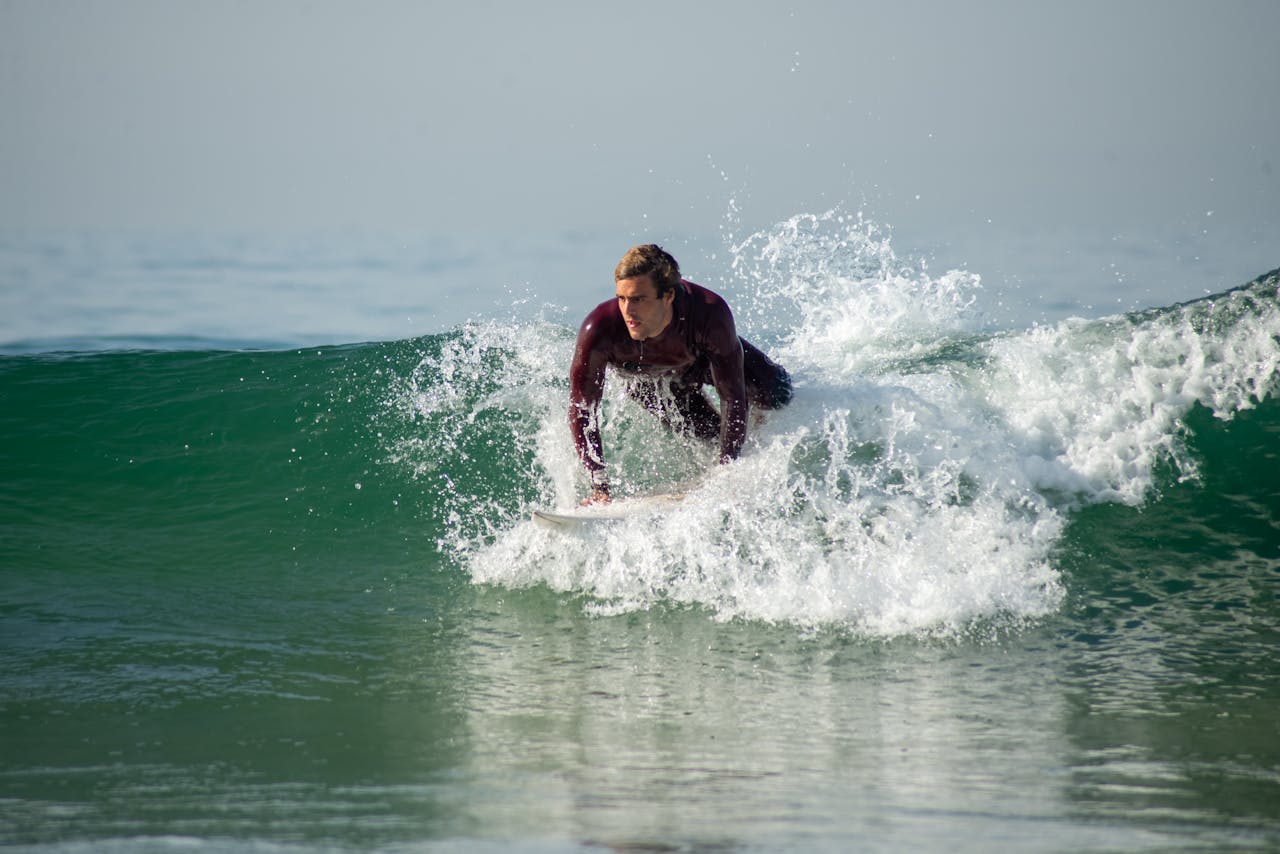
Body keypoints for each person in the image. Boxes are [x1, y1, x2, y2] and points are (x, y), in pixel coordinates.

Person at [569, 244, 792, 503]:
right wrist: (599, 486)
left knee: (779, 394)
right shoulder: (600, 330)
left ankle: (748, 438)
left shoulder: (709, 314)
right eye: (622, 298)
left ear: (668, 296)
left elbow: (732, 395)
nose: (628, 310)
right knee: (709, 435)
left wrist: (727, 472)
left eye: (639, 299)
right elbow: (582, 410)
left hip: (701, 363)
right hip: (651, 383)